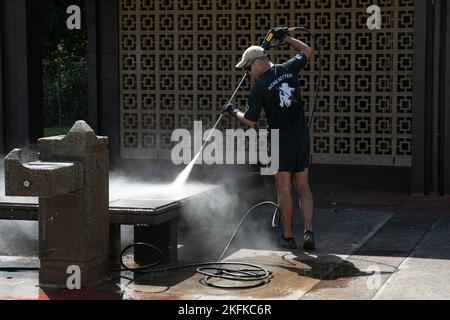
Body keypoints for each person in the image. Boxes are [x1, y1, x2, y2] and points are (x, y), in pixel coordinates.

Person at [222, 28, 315, 251]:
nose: (249, 73)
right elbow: (307, 50)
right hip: (301, 136)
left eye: (248, 68)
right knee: (302, 186)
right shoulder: (288, 67)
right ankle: (309, 232)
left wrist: (232, 110)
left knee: (284, 189)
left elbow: (251, 121)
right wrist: (286, 38)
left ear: (257, 63)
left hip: (278, 139)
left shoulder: (260, 87)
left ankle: (288, 237)